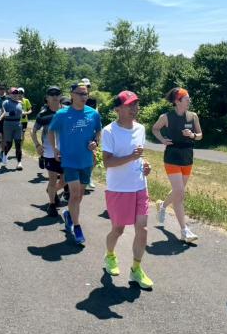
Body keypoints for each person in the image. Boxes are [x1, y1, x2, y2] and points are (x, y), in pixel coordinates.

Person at [102, 91, 154, 289]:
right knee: (118, 229)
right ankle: (110, 255)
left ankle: (136, 269)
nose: (135, 108)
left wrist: (145, 165)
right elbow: (107, 162)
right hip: (119, 188)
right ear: (118, 109)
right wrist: (132, 157)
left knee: (143, 229)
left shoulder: (140, 128)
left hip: (140, 186)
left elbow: (139, 157)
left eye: (136, 104)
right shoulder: (109, 131)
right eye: (130, 105)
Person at [48, 82, 102, 244]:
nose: (84, 97)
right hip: (69, 161)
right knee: (75, 194)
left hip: (86, 161)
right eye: (80, 94)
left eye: (86, 94)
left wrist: (95, 142)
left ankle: (69, 215)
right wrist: (55, 149)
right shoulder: (62, 114)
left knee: (79, 196)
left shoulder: (93, 113)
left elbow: (98, 131)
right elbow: (51, 131)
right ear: (72, 95)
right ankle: (77, 227)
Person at [152, 87, 202, 243]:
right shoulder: (166, 117)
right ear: (177, 101)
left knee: (177, 191)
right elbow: (155, 129)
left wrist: (192, 135)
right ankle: (184, 230)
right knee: (179, 193)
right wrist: (162, 139)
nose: (189, 101)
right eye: (187, 98)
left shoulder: (193, 116)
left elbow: (200, 136)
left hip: (187, 157)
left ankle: (162, 206)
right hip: (172, 157)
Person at [31, 86, 66, 217]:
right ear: (47, 98)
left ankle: (51, 190)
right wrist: (37, 145)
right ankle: (51, 205)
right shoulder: (43, 114)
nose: (55, 96)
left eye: (57, 93)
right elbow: (33, 131)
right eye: (52, 94)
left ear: (61, 96)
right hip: (49, 151)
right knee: (52, 179)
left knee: (65, 179)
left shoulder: (68, 111)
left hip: (66, 151)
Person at [0, 88, 24, 170]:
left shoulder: (20, 103)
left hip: (18, 124)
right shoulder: (6, 102)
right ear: (9, 94)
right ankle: (5, 155)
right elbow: (0, 113)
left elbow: (21, 112)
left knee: (18, 143)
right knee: (9, 144)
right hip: (8, 124)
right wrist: (9, 113)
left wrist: (22, 114)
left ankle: (19, 163)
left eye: (17, 93)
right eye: (13, 93)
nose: (15, 94)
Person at [81, 78, 98, 190]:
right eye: (84, 86)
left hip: (91, 132)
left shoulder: (92, 101)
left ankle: (88, 176)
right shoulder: (75, 100)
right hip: (79, 132)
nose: (86, 88)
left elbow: (95, 115)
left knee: (94, 158)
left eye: (88, 86)